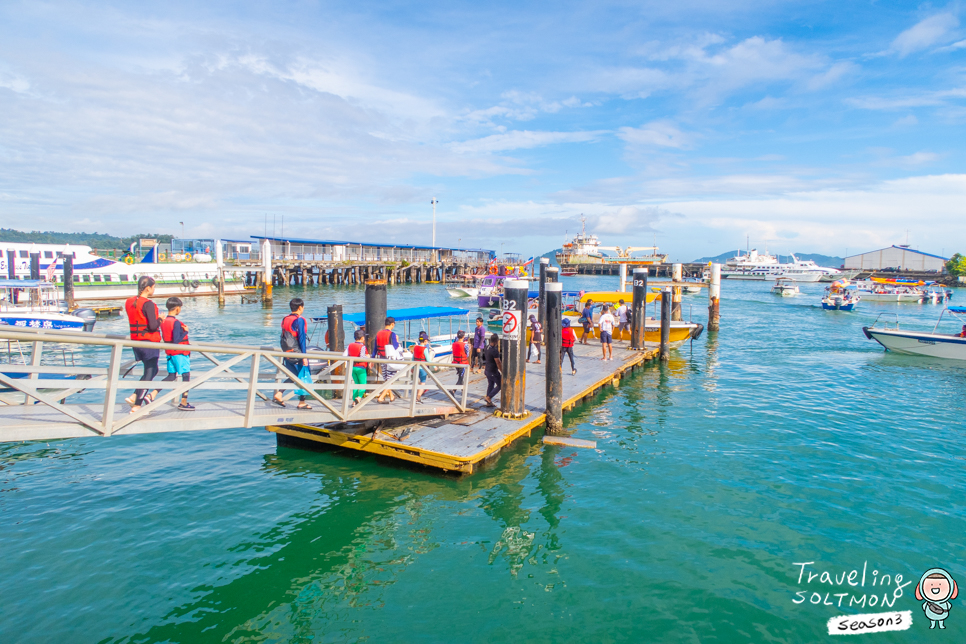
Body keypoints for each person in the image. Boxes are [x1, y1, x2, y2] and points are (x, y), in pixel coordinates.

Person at [125, 276, 164, 412]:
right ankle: (137, 405)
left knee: (150, 370)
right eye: (153, 287)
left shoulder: (129, 302)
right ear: (148, 288)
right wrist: (160, 319)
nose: (154, 289)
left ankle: (135, 395)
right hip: (149, 342)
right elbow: (153, 326)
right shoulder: (148, 304)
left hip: (136, 342)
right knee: (151, 370)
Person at [273, 298, 311, 409]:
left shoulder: (285, 319)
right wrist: (304, 356)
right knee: (304, 375)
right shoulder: (300, 320)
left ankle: (279, 393)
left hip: (287, 352)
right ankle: (302, 402)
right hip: (297, 352)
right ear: (300, 307)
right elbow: (302, 339)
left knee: (294, 376)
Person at [160, 297, 194, 411]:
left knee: (171, 376)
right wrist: (185, 331)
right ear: (177, 308)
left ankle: (152, 394)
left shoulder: (163, 321)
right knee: (186, 376)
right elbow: (176, 340)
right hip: (180, 353)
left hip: (169, 353)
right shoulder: (176, 322)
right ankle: (183, 402)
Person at [375, 317, 400, 404]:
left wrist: (372, 359)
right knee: (391, 379)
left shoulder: (378, 333)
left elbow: (375, 348)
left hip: (381, 357)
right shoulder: (392, 334)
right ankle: (381, 397)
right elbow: (396, 347)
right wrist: (397, 340)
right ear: (392, 324)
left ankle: (391, 396)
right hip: (390, 358)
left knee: (386, 378)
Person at [343, 329, 369, 406]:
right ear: (362, 338)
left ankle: (354, 401)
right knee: (363, 384)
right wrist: (368, 357)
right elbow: (362, 357)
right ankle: (359, 397)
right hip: (361, 367)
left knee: (356, 384)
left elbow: (344, 355)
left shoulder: (350, 345)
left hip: (353, 367)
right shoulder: (362, 346)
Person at [483, 333, 502, 407]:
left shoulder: (486, 347)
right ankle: (489, 397)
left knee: (491, 384)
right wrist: (502, 370)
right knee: (500, 385)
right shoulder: (494, 350)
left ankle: (488, 402)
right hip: (493, 371)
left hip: (487, 370)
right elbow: (498, 362)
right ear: (496, 341)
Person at [413, 332, 431, 402]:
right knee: (422, 382)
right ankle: (418, 398)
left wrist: (412, 368)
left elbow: (412, 358)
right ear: (425, 341)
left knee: (417, 382)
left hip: (416, 367)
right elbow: (428, 360)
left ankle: (416, 396)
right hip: (423, 368)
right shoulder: (425, 349)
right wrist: (435, 366)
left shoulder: (415, 347)